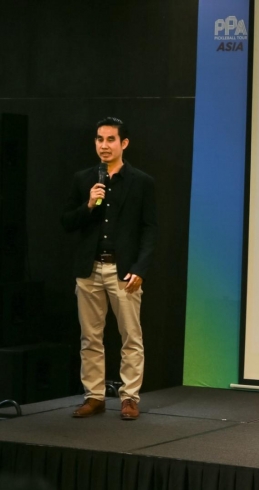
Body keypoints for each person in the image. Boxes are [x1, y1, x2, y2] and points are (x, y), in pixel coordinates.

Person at [61, 117, 157, 421]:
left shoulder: (141, 182)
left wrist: (140, 268)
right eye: (99, 139)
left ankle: (129, 398)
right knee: (90, 338)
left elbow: (150, 229)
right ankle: (94, 396)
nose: (104, 145)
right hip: (89, 269)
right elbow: (67, 222)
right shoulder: (83, 179)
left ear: (123, 143)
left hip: (124, 271)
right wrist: (89, 204)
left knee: (131, 338)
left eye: (110, 139)